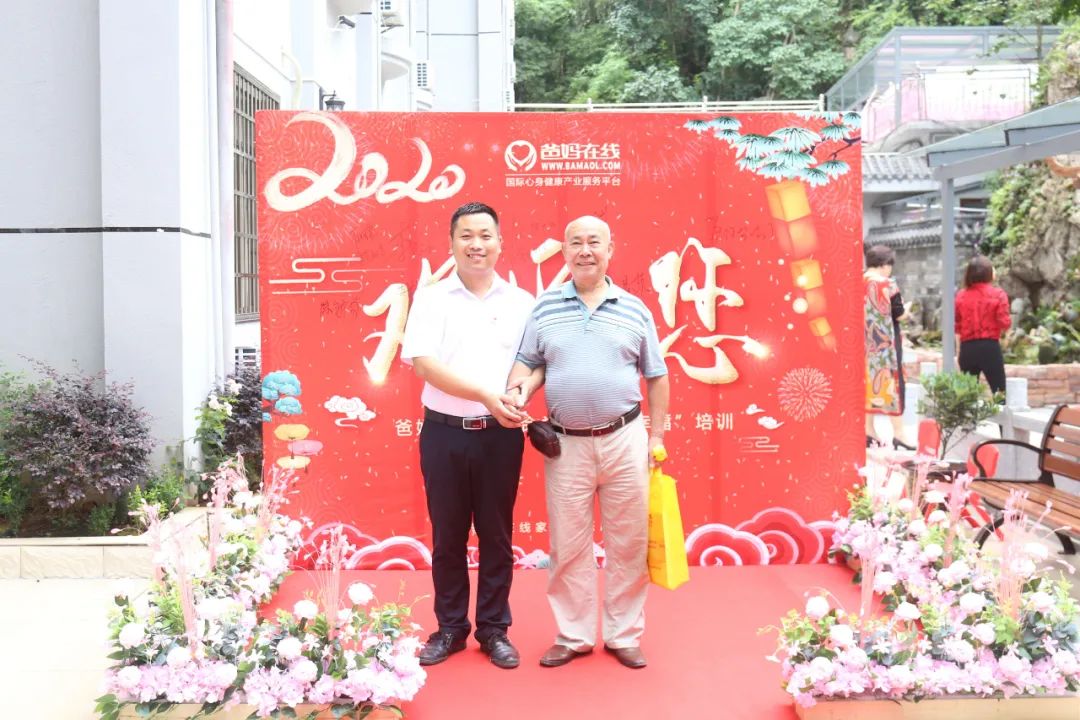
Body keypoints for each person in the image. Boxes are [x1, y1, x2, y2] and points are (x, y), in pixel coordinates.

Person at [508, 215, 670, 670]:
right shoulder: (545, 308)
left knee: (629, 542)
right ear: (564, 252)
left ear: (609, 249)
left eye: (594, 242)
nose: (585, 251)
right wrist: (518, 390)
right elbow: (527, 362)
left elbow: (656, 376)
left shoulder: (634, 309)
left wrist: (656, 436)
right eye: (575, 243)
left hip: (625, 439)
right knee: (568, 545)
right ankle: (574, 635)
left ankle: (623, 634)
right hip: (566, 445)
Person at [400, 202, 536, 669]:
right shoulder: (432, 298)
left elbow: (534, 363)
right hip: (445, 435)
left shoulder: (521, 302)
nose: (476, 245)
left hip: (500, 436)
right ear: (452, 242)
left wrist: (521, 391)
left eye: (485, 235)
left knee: (497, 535)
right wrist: (483, 393)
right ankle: (450, 628)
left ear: (500, 242)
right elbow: (424, 364)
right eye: (466, 236)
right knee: (448, 535)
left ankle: (494, 629)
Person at [863, 244, 906, 445]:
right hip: (885, 344)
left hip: (863, 344)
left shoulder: (857, 281)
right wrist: (908, 310)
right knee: (892, 385)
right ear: (885, 264)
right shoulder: (888, 284)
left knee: (867, 383)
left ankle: (869, 430)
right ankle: (899, 434)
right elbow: (900, 314)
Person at [955, 255, 1011, 395]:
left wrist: (959, 351)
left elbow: (957, 326)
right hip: (990, 347)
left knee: (967, 395)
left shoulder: (961, 296)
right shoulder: (998, 294)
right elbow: (1004, 323)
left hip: (967, 348)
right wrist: (1005, 338)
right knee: (1000, 392)